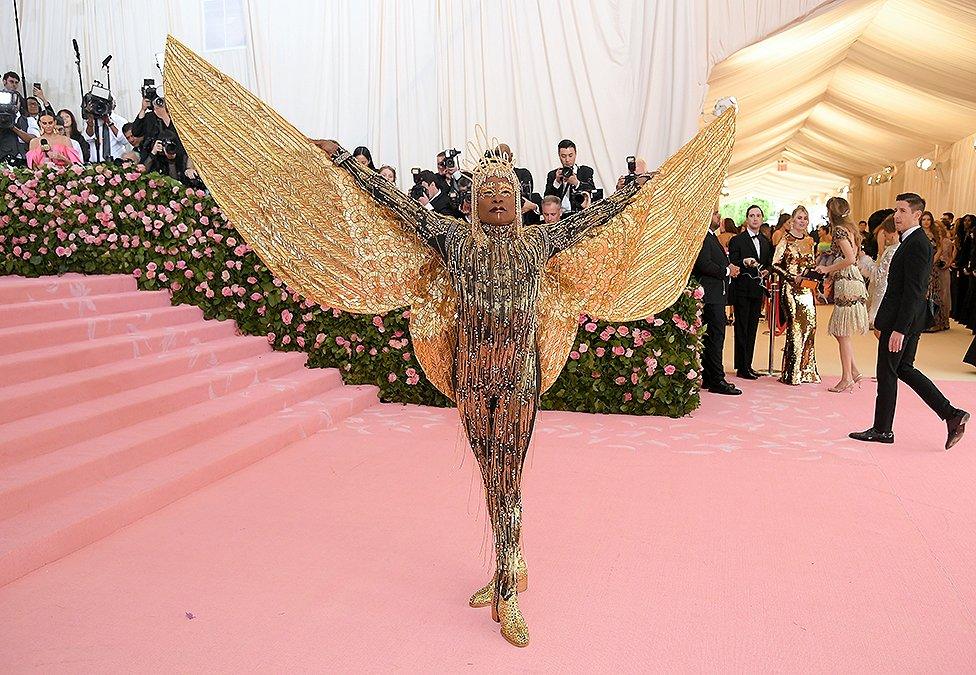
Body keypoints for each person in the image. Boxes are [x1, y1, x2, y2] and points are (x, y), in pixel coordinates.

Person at [166, 35, 735, 649]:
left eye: (506, 194)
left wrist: (644, 186)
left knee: (510, 473)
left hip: (520, 372)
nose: (496, 200)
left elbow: (599, 219)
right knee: (489, 469)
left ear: (518, 202)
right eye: (486, 194)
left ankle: (507, 586)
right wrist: (347, 165)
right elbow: (394, 206)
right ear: (472, 201)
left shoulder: (537, 244)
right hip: (470, 371)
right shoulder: (455, 241)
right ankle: (505, 562)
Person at [850, 193, 969, 448]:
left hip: (901, 322)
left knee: (887, 372)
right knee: (903, 369)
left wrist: (899, 330)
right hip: (906, 320)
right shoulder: (913, 241)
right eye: (896, 210)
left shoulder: (916, 243)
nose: (897, 215)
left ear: (917, 215)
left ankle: (883, 430)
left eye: (903, 210)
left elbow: (914, 291)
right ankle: (951, 414)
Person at [815, 197, 868, 392]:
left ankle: (847, 377)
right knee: (841, 331)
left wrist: (827, 269)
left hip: (847, 280)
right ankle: (853, 372)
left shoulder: (838, 230)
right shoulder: (850, 229)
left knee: (842, 331)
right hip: (850, 279)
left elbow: (850, 258)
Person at [693, 208, 741, 394]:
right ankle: (717, 380)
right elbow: (704, 264)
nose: (718, 216)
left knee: (711, 338)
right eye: (714, 213)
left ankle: (709, 376)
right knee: (715, 338)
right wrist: (727, 271)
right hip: (711, 295)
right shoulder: (704, 237)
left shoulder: (711, 236)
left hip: (715, 294)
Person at [771, 205, 819, 385]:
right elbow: (775, 264)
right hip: (790, 289)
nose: (802, 221)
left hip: (807, 289)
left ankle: (806, 370)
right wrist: (791, 277)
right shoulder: (785, 240)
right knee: (795, 328)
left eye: (805, 218)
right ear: (792, 220)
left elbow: (812, 264)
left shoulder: (809, 241)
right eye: (799, 218)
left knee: (811, 327)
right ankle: (792, 372)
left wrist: (813, 275)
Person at [728, 204, 773, 379]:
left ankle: (748, 363)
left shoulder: (765, 241)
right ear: (747, 219)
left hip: (757, 290)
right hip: (741, 288)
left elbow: (769, 262)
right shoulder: (737, 240)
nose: (755, 218)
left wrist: (767, 270)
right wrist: (744, 262)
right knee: (741, 327)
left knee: (753, 327)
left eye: (758, 215)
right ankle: (741, 366)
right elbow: (732, 261)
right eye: (752, 215)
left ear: (762, 219)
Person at [921, 210, 953, 332]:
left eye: (928, 219)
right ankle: (921, 321)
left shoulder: (935, 234)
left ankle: (935, 322)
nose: (926, 222)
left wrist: (931, 262)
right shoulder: (918, 233)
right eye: (924, 219)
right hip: (920, 266)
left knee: (934, 293)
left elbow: (939, 249)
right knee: (922, 293)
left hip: (932, 268)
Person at [544, 139, 595, 215]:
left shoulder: (585, 171)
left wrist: (577, 183)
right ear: (559, 156)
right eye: (563, 156)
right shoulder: (552, 175)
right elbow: (547, 200)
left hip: (579, 214)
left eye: (570, 155)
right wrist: (557, 182)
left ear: (575, 154)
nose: (567, 160)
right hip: (560, 216)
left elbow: (593, 190)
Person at [867, 215, 898, 334]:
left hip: (884, 282)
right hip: (883, 280)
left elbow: (880, 273)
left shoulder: (891, 251)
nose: (884, 236)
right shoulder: (892, 249)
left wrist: (865, 261)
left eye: (885, 233)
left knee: (878, 300)